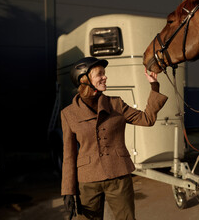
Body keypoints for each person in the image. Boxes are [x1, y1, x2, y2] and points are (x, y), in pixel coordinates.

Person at [61, 57, 168, 220]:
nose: (105, 77)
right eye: (100, 74)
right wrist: (68, 191)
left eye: (104, 73)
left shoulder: (116, 104)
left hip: (119, 177)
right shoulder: (68, 114)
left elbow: (147, 119)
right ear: (85, 79)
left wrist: (154, 85)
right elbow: (69, 156)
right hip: (87, 182)